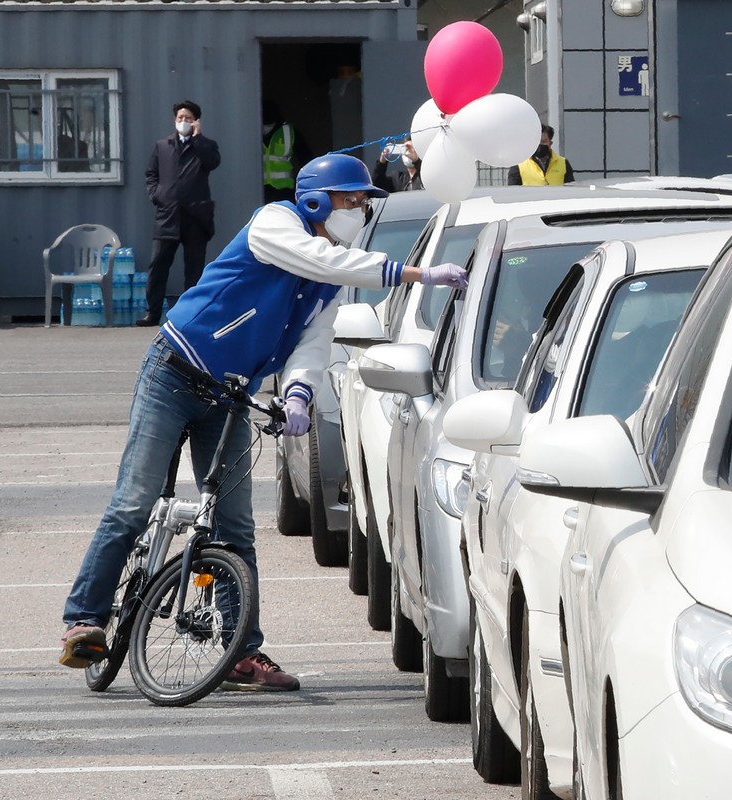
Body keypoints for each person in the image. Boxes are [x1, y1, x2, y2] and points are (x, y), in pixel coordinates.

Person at [58, 154, 468, 692]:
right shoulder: (276, 224)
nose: (360, 210)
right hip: (175, 372)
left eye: (364, 202)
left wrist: (298, 396)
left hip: (229, 393)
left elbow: (313, 346)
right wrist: (413, 273)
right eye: (352, 200)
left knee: (235, 528)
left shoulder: (330, 280)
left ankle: (240, 653)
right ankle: (84, 618)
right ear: (317, 201)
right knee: (133, 502)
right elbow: (321, 260)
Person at [138, 100, 221, 327]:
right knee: (158, 266)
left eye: (188, 118)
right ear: (174, 120)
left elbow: (212, 162)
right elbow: (151, 174)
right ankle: (152, 312)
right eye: (179, 118)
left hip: (196, 217)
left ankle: (190, 315)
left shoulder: (206, 145)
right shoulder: (162, 145)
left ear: (196, 122)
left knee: (194, 269)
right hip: (168, 216)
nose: (183, 122)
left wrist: (198, 138)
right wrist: (157, 195)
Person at [262, 100, 305, 203]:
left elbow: (306, 159)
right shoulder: (249, 130)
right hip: (257, 191)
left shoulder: (289, 131)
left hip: (284, 192)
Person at [507, 124, 575, 186]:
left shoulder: (563, 163)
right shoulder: (519, 165)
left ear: (550, 143)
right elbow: (513, 192)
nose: (540, 145)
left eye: (544, 141)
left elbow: (570, 190)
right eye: (537, 141)